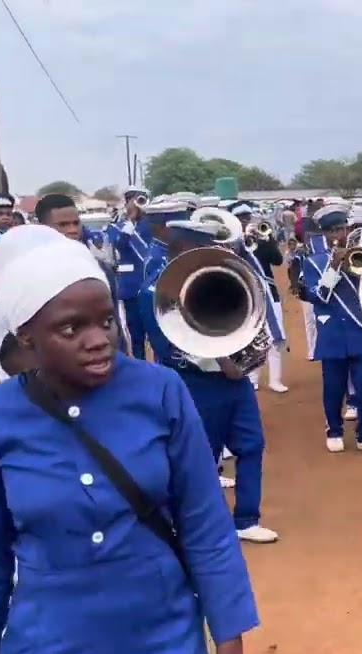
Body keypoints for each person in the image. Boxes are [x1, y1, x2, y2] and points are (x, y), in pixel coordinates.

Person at [0, 226, 256, 654]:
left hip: (163, 648)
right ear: (26, 336)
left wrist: (230, 650)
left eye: (106, 321)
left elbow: (206, 527)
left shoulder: (161, 391)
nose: (98, 341)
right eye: (71, 329)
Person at [136, 220, 279, 544]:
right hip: (196, 382)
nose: (215, 252)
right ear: (183, 249)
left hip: (233, 380)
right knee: (200, 455)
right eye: (204, 247)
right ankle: (192, 525)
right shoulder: (154, 290)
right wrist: (223, 361)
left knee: (252, 444)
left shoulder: (215, 275)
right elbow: (167, 347)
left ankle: (246, 518)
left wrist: (241, 355)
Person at [301, 203, 362, 456]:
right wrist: (335, 267)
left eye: (343, 228)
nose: (340, 235)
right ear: (324, 234)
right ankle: (334, 431)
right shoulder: (314, 263)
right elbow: (319, 296)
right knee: (334, 389)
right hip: (333, 333)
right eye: (334, 231)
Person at [230, 200, 289, 394]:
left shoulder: (261, 240)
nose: (246, 222)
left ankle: (275, 379)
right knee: (249, 338)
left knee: (274, 336)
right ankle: (252, 377)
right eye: (241, 219)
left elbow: (278, 260)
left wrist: (268, 238)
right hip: (244, 295)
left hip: (269, 295)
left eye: (247, 218)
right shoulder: (230, 243)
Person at [103, 186, 153, 359]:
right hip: (132, 288)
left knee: (157, 334)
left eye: (140, 199)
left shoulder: (152, 224)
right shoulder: (118, 228)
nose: (136, 204)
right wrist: (130, 222)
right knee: (136, 336)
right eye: (132, 200)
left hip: (152, 286)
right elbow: (120, 245)